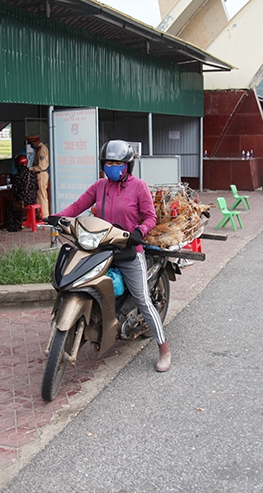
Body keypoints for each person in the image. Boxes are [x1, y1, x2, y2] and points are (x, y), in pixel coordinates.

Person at [47, 140, 171, 373]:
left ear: (127, 166)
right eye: (108, 163)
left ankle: (164, 348)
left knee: (143, 300)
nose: (112, 167)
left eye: (117, 163)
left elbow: (150, 217)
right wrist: (58, 217)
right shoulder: (100, 186)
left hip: (128, 253)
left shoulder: (139, 187)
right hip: (101, 249)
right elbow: (78, 206)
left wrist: (139, 232)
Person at [5, 154, 38, 232]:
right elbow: (37, 187)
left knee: (10, 206)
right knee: (16, 204)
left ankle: (14, 226)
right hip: (33, 199)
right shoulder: (33, 174)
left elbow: (15, 191)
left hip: (23, 201)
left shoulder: (17, 176)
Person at [26, 134, 50, 219]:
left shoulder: (41, 150)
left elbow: (41, 166)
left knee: (41, 195)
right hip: (40, 174)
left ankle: (44, 216)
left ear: (36, 141)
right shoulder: (39, 149)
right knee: (40, 195)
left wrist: (29, 169)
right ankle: (42, 214)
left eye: (32, 143)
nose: (31, 146)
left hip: (41, 173)